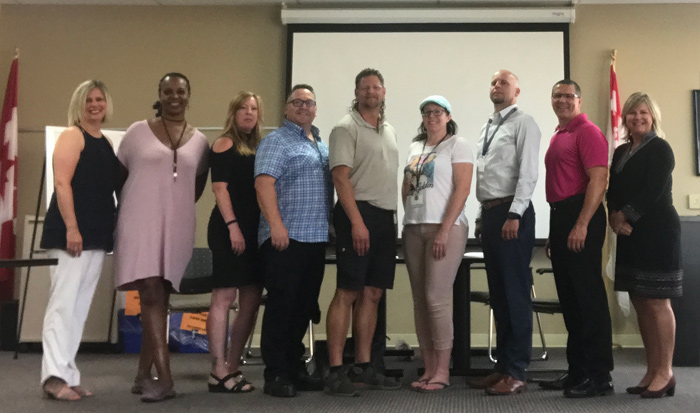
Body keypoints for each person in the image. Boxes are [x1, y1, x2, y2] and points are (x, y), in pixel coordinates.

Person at [114, 73, 209, 402]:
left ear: (189, 95)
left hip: (178, 225)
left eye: (180, 91)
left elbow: (195, 187)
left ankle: (142, 374)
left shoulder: (201, 142)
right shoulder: (136, 133)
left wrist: (171, 206)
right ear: (159, 94)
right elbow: (120, 178)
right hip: (139, 222)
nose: (174, 97)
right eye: (167, 91)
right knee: (151, 291)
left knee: (160, 297)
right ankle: (165, 379)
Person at [39, 80, 118, 401]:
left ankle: (68, 374)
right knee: (62, 306)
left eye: (99, 99)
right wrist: (72, 228)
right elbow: (62, 182)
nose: (94, 104)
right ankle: (53, 377)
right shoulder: (73, 136)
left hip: (97, 235)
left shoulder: (105, 142)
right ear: (79, 104)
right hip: (71, 234)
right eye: (88, 100)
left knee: (79, 309)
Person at [324, 68, 400, 397]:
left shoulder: (389, 130)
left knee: (373, 293)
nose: (371, 91)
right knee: (348, 291)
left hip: (385, 217)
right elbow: (341, 178)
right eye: (365, 87)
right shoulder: (345, 127)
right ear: (356, 92)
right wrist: (356, 222)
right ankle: (337, 369)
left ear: (383, 92)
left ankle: (365, 366)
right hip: (357, 213)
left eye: (376, 87)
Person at [255, 84, 332, 398]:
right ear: (286, 108)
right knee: (282, 307)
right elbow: (263, 184)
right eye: (297, 102)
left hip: (315, 238)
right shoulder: (276, 141)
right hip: (285, 238)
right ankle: (276, 374)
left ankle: (295, 368)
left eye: (309, 102)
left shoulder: (320, 144)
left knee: (304, 307)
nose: (303, 107)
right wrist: (276, 225)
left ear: (316, 108)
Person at [468, 70, 541, 396]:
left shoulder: (524, 123)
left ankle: (517, 371)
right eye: (494, 82)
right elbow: (488, 173)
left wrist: (515, 213)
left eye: (504, 83)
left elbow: (527, 173)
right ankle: (502, 368)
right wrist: (483, 217)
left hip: (514, 213)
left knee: (514, 294)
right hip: (492, 213)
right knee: (499, 295)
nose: (497, 86)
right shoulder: (489, 125)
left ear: (517, 91)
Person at [608, 92, 682, 399]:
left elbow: (654, 189)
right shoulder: (621, 151)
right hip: (628, 234)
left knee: (657, 302)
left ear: (652, 116)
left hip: (657, 232)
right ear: (624, 118)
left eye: (643, 112)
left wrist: (627, 215)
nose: (637, 117)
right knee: (640, 301)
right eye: (631, 113)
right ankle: (652, 370)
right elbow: (613, 188)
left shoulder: (660, 148)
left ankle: (666, 372)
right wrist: (614, 217)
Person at [543, 79, 613, 398]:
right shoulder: (560, 134)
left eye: (569, 96)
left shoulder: (588, 132)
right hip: (562, 217)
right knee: (571, 300)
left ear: (579, 100)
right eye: (557, 95)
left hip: (581, 215)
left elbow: (599, 179)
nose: (562, 100)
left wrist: (582, 223)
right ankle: (578, 371)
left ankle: (599, 377)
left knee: (588, 299)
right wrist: (556, 230)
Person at [402, 96, 473, 392]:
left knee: (436, 299)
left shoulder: (459, 145)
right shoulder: (415, 147)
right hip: (414, 228)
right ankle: (428, 368)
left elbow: (463, 189)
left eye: (437, 112)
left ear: (448, 116)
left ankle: (443, 371)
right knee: (420, 302)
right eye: (427, 112)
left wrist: (444, 229)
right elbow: (406, 187)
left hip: (446, 228)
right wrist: (408, 216)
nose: (432, 116)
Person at [205, 92, 264, 393]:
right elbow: (220, 189)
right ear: (233, 111)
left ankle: (232, 365)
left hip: (254, 231)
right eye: (243, 107)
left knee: (251, 300)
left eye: (253, 108)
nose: (248, 113)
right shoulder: (224, 143)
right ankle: (217, 369)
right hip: (230, 230)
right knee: (224, 297)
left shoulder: (259, 146)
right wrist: (233, 228)